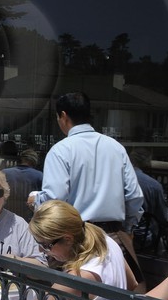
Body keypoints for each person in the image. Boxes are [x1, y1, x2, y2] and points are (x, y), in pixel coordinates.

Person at [32, 92, 143, 284]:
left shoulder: (61, 150)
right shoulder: (115, 147)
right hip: (114, 237)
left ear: (63, 116)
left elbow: (54, 198)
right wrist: (127, 228)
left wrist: (36, 200)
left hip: (75, 242)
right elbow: (134, 196)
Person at [130, 149, 168, 254]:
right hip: (143, 237)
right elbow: (162, 216)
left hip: (119, 234)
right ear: (148, 163)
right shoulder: (154, 185)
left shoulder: (118, 179)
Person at [2, 149, 44, 221]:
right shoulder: (39, 175)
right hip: (29, 218)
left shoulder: (4, 173)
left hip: (7, 215)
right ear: (34, 161)